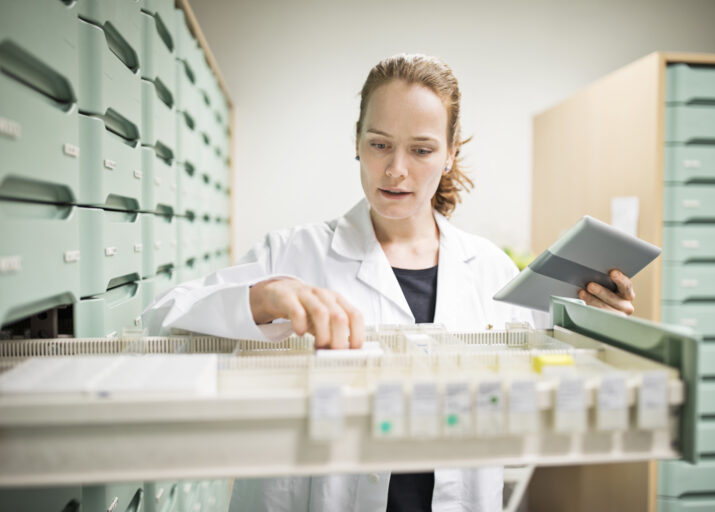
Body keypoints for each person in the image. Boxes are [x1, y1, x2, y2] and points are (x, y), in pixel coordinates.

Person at [143, 53, 636, 512]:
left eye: (421, 149)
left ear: (448, 154)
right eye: (379, 144)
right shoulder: (293, 253)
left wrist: (598, 324)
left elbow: (563, 375)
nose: (396, 170)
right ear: (356, 142)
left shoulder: (489, 269)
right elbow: (161, 322)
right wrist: (262, 298)